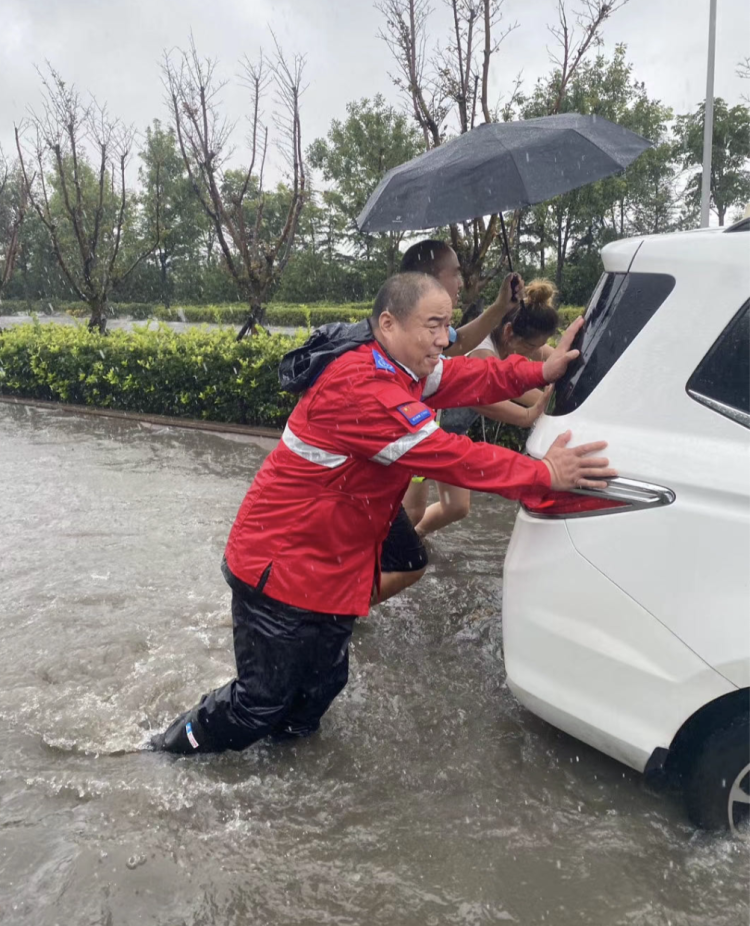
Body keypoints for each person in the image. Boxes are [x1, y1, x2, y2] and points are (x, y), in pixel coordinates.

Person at [150, 272, 614, 755]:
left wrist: (537, 373)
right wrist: (544, 474)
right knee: (257, 704)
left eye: (448, 325)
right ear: (388, 324)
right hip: (279, 566)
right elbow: (453, 455)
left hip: (330, 564)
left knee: (319, 690)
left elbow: (460, 375)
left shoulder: (399, 367)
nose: (444, 338)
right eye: (433, 325)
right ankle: (164, 752)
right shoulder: (363, 388)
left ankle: (282, 777)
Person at [378, 238, 523, 602]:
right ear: (428, 280)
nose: (461, 281)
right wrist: (542, 474)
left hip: (410, 446)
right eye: (455, 273)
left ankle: (342, 602)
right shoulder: (393, 350)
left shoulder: (423, 337)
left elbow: (459, 350)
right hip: (403, 449)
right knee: (406, 528)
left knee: (412, 552)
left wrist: (499, 306)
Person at [412, 279, 560, 539]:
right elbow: (487, 399)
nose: (534, 353)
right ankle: (390, 552)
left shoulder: (513, 340)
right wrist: (536, 409)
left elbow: (548, 357)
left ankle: (414, 538)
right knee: (411, 508)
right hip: (422, 430)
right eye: (529, 348)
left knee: (456, 507)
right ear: (509, 332)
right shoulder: (483, 353)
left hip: (449, 434)